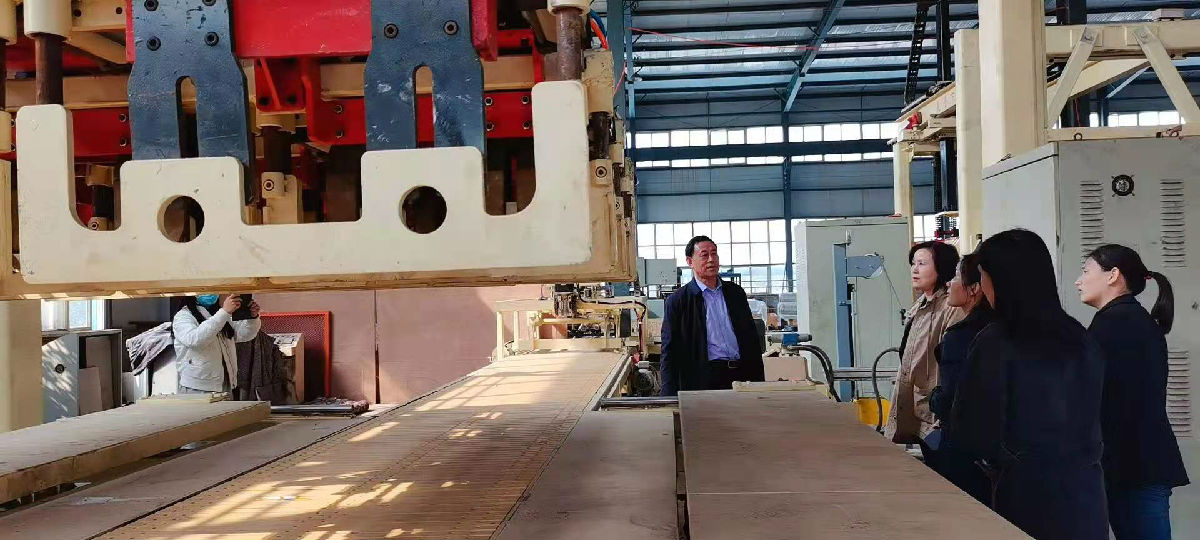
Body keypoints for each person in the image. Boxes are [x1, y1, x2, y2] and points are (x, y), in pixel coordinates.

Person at [950, 229, 1107, 540]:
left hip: (1026, 497)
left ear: (1001, 280)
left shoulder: (997, 341)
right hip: (1085, 496)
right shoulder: (1079, 337)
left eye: (984, 277)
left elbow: (971, 431)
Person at [1076, 244, 1189, 540]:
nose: (1079, 281)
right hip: (1140, 464)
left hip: (1131, 468)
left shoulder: (1114, 324)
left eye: (1086, 271)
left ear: (1113, 275)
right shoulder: (1130, 319)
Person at [660, 235, 764, 396]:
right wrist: (668, 396)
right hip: (704, 381)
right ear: (690, 261)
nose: (711, 259)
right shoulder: (678, 301)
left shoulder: (735, 293)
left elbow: (751, 339)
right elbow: (669, 351)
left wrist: (759, 382)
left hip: (741, 376)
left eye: (714, 253)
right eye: (704, 255)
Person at [925, 253, 992, 504]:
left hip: (964, 449)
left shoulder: (961, 336)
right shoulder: (1004, 328)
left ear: (974, 288)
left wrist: (934, 398)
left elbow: (951, 399)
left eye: (955, 276)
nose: (949, 283)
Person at [884, 241, 961, 449]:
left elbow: (950, 364)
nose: (914, 269)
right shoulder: (921, 305)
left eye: (922, 263)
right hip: (919, 406)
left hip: (936, 412)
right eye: (913, 263)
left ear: (942, 267)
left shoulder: (951, 307)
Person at [173, 294, 262, 394]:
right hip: (197, 387)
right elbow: (194, 340)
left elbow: (243, 335)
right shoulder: (183, 316)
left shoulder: (217, 314)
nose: (210, 294)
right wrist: (224, 312)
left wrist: (252, 318)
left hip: (224, 383)